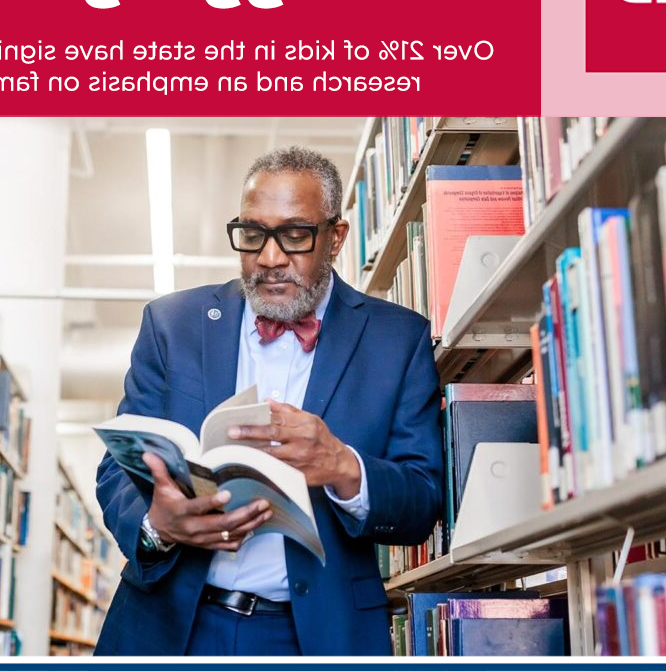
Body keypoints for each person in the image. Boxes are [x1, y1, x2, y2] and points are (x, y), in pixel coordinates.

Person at [95, 146, 443, 656]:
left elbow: (423, 498)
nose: (270, 257)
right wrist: (156, 525)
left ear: (336, 237)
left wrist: (344, 466)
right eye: (253, 234)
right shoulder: (172, 324)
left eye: (295, 235)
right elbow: (117, 469)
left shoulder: (397, 340)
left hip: (317, 635)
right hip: (170, 624)